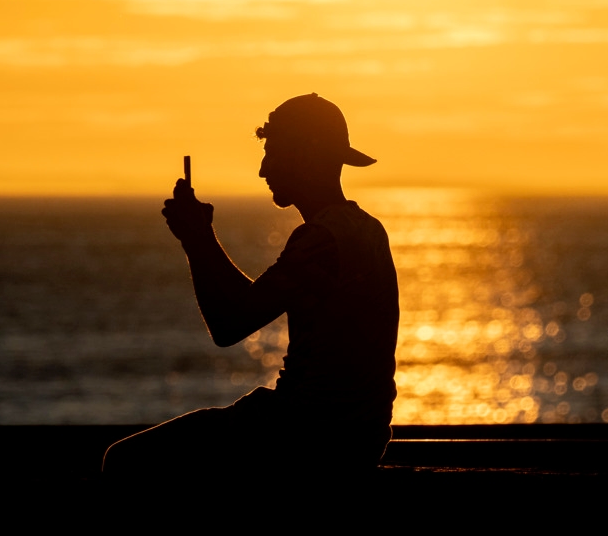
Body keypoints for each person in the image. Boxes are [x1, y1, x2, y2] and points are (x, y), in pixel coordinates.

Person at [103, 93, 399, 482]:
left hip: (307, 436)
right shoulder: (365, 229)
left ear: (305, 154)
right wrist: (200, 238)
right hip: (356, 438)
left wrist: (197, 239)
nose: (263, 170)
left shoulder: (320, 240)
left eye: (272, 152)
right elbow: (252, 303)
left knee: (124, 462)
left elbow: (230, 323)